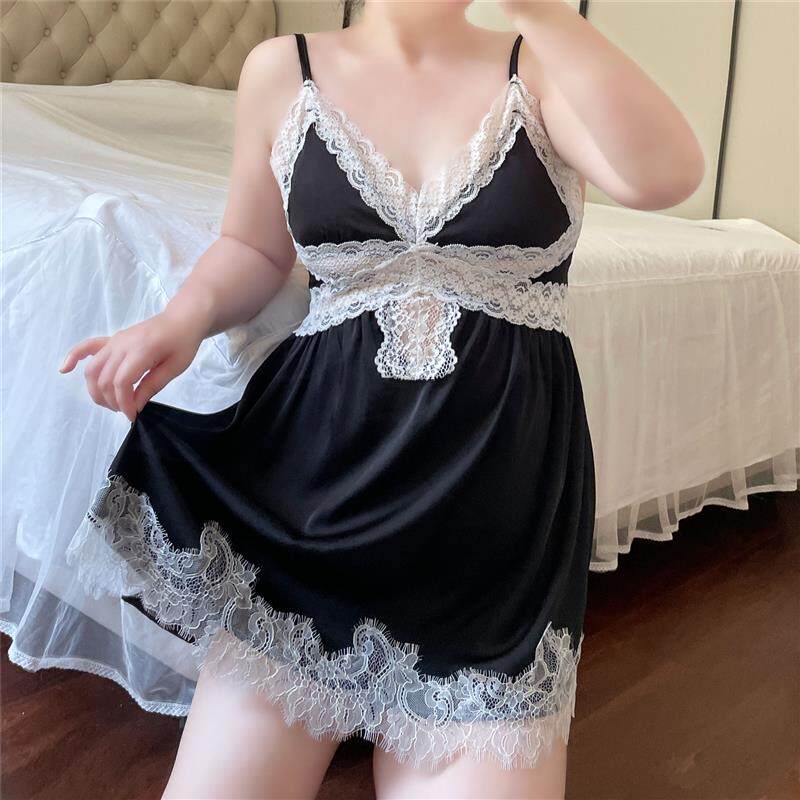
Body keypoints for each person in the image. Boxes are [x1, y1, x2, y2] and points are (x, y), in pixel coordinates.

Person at [59, 1, 704, 798]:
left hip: (490, 545)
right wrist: (180, 321)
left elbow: (664, 176)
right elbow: (253, 246)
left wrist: (541, 11)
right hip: (308, 505)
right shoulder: (281, 68)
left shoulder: (536, 65)